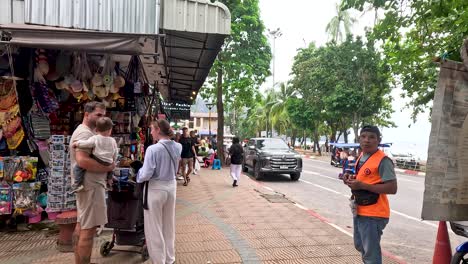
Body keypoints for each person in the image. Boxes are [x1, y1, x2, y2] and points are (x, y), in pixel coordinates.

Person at [342, 125, 397, 264]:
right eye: (363, 136)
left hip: (374, 214)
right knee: (360, 246)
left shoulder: (383, 160)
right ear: (359, 139)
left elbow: (392, 188)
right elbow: (364, 178)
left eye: (372, 137)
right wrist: (350, 178)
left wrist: (362, 185)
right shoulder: (362, 156)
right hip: (360, 209)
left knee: (370, 254)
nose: (367, 140)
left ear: (379, 140)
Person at [70, 101, 115, 264]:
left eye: (104, 115)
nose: (101, 119)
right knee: (88, 232)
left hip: (88, 186)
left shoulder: (89, 133)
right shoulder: (85, 135)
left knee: (81, 227)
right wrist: (109, 167)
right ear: (86, 114)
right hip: (91, 186)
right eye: (98, 115)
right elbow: (82, 161)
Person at [137, 119, 182, 264]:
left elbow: (146, 174)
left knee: (154, 227)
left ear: (158, 130)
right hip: (171, 187)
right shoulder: (178, 146)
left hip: (156, 188)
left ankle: (159, 260)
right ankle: (170, 258)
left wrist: (137, 175)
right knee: (168, 224)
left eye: (152, 129)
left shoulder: (153, 149)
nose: (151, 132)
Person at [71, 117, 118, 193]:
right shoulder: (113, 140)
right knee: (110, 170)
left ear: (96, 129)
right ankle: (109, 182)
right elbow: (115, 152)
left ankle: (77, 184)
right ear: (110, 130)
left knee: (78, 167)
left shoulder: (95, 138)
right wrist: (113, 161)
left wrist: (77, 143)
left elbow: (87, 144)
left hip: (97, 159)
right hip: (108, 161)